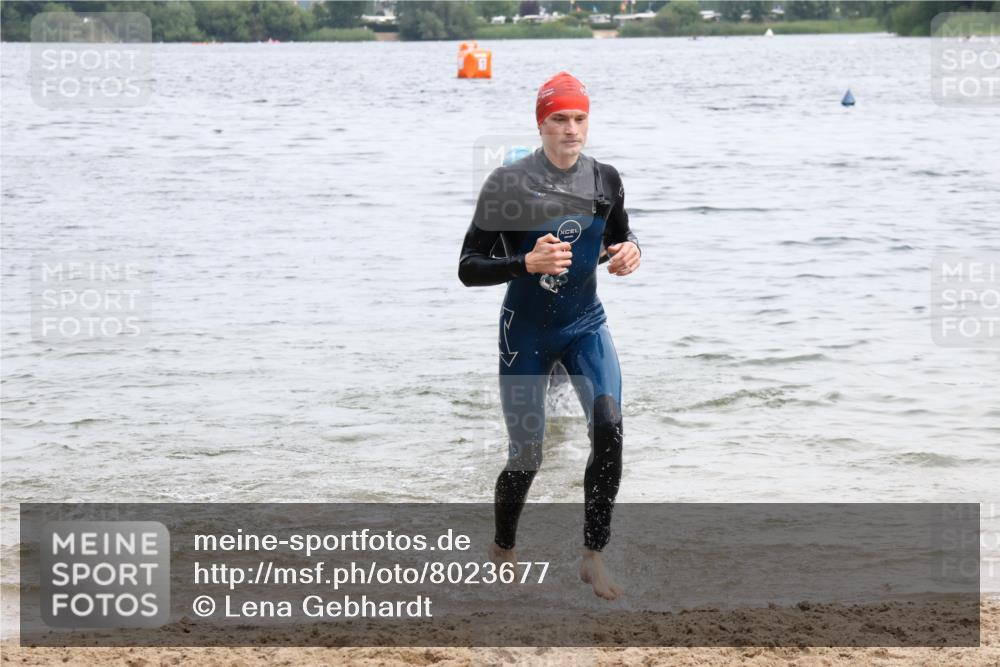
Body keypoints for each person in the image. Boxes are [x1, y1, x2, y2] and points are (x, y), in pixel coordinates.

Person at [458, 71, 641, 600]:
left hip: (585, 325)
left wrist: (629, 250)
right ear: (541, 124)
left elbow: (619, 235)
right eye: (560, 119)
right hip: (525, 333)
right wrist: (523, 263)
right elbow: (468, 267)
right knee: (527, 455)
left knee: (609, 428)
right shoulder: (507, 185)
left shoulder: (606, 179)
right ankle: (503, 549)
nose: (571, 129)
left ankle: (593, 557)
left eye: (579, 118)